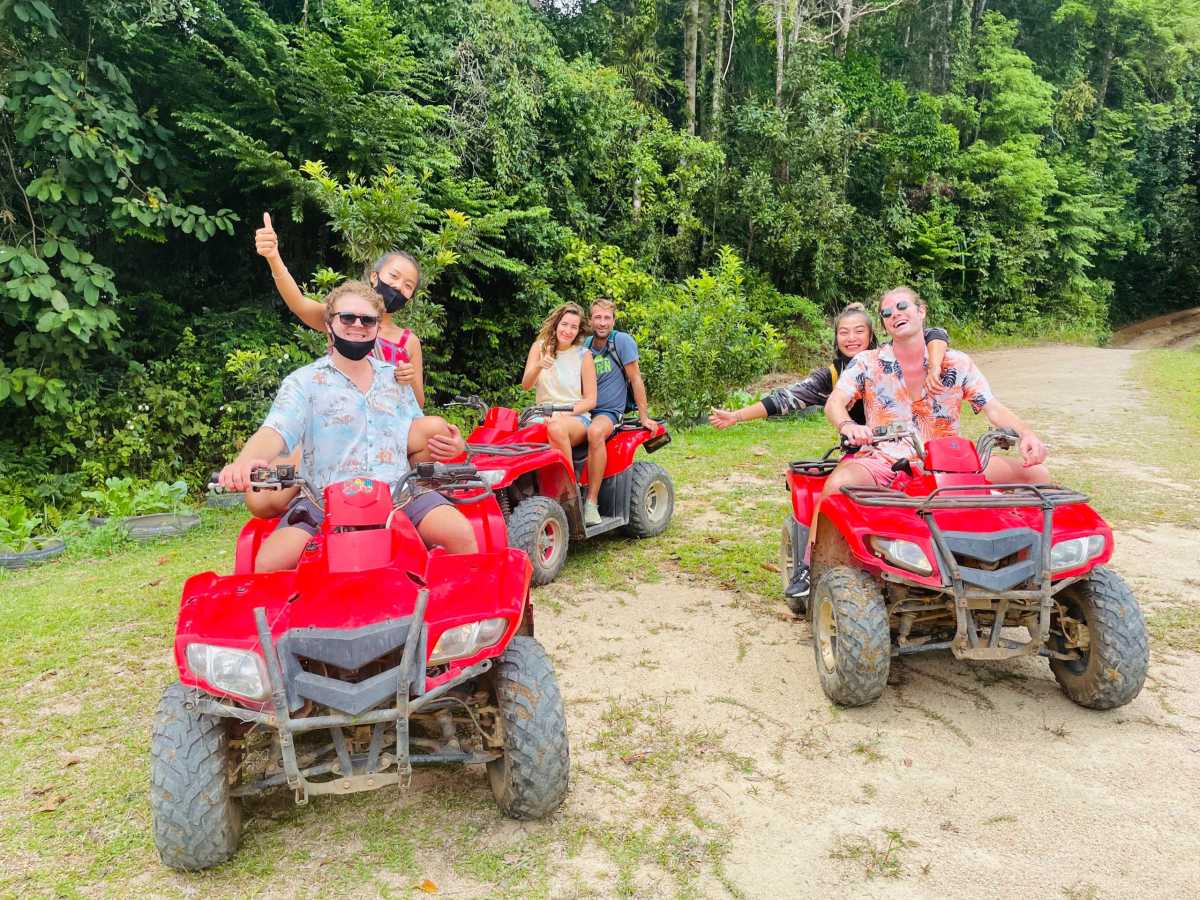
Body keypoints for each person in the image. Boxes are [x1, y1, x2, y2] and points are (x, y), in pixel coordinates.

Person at [795, 286, 1049, 597]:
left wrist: (1026, 433)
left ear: (921, 311)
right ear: (884, 324)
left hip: (951, 463)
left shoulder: (957, 363)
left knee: (1037, 475)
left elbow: (992, 406)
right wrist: (848, 425)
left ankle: (1034, 564)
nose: (895, 314)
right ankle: (809, 568)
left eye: (902, 306)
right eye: (887, 312)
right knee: (837, 484)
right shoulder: (867, 362)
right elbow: (835, 402)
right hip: (885, 458)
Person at [219, 281, 477, 572]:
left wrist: (456, 445)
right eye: (347, 318)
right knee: (270, 563)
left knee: (460, 534)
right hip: (322, 501)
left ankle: (457, 603)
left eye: (367, 320)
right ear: (329, 324)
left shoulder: (395, 379)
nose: (358, 325)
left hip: (398, 494)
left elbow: (418, 429)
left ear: (377, 327)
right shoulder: (303, 382)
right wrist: (244, 462)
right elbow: (275, 430)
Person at [254, 213, 427, 407]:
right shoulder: (343, 318)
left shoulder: (409, 342)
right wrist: (274, 258)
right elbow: (298, 304)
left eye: (408, 285)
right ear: (374, 276)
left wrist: (408, 379)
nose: (398, 286)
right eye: (394, 276)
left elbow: (419, 405)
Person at [708, 302, 949, 431]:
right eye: (844, 333)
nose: (851, 338)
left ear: (871, 336)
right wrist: (736, 416)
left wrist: (935, 366)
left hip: (909, 440)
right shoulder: (831, 376)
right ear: (836, 338)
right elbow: (784, 399)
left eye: (859, 331)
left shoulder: (890, 356)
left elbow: (935, 333)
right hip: (861, 449)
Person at [580, 299, 657, 527]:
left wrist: (644, 416)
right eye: (598, 317)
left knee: (595, 433)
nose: (602, 323)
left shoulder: (621, 341)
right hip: (583, 409)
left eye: (607, 318)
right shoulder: (585, 345)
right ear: (590, 320)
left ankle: (591, 503)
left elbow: (635, 379)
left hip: (608, 412)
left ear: (613, 320)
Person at [520, 302, 597, 469]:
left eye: (573, 327)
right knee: (517, 435)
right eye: (564, 324)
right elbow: (526, 385)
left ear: (578, 331)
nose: (568, 331)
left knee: (556, 427)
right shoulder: (539, 347)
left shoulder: (583, 355)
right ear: (556, 325)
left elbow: (591, 400)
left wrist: (562, 415)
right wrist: (539, 365)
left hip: (574, 417)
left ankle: (568, 483)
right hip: (542, 415)